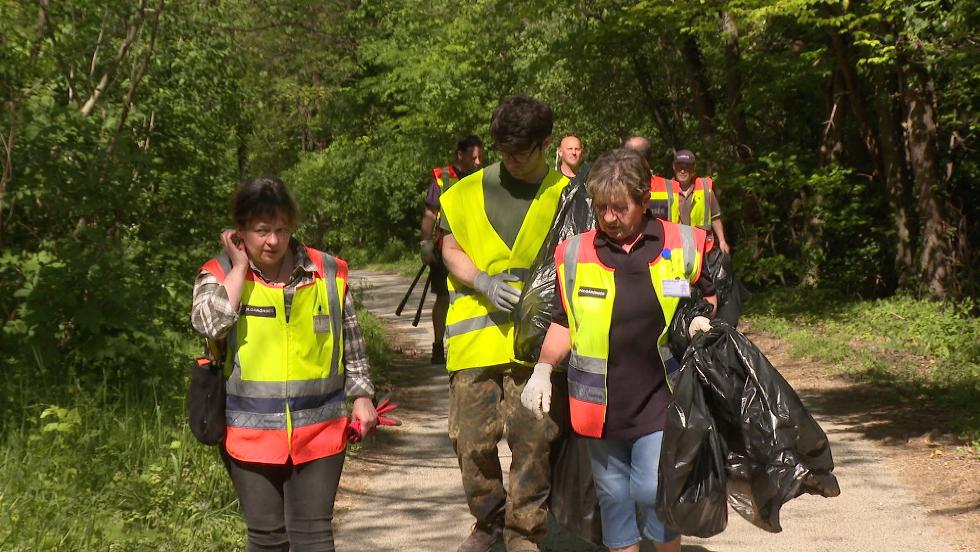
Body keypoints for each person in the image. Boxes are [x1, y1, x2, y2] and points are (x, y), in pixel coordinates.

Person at [520, 148, 717, 552]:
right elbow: (563, 320)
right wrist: (542, 368)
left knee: (650, 488)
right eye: (601, 208)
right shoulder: (574, 253)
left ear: (644, 201)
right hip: (598, 407)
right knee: (613, 499)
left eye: (619, 208)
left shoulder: (682, 243)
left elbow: (712, 296)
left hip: (664, 397)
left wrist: (701, 322)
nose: (609, 217)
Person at [191, 176, 378, 552]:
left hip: (322, 431)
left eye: (281, 229)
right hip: (248, 434)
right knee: (267, 539)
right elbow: (210, 324)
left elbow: (351, 341)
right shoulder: (218, 273)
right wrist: (240, 268)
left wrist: (362, 396)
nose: (273, 241)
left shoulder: (327, 271)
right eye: (261, 231)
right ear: (240, 230)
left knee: (314, 538)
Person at [439, 94, 570, 552]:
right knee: (471, 442)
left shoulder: (568, 197)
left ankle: (524, 533)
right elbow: (449, 247)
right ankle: (489, 523)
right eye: (504, 152)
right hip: (474, 343)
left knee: (534, 441)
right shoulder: (464, 192)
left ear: (546, 143)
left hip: (536, 348)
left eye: (522, 152)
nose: (511, 161)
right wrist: (482, 280)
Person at [420, 135, 484, 363]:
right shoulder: (443, 178)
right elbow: (430, 212)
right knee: (444, 297)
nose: (478, 162)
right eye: (473, 157)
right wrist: (425, 243)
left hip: (473, 247)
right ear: (460, 155)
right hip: (442, 248)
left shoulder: (483, 179)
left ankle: (468, 345)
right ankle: (438, 345)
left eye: (480, 157)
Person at [657, 149, 730, 254]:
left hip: (702, 248)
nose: (683, 171)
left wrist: (722, 241)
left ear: (693, 168)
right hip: (675, 249)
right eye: (679, 167)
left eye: (687, 167)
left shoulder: (705, 188)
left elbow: (715, 217)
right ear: (673, 167)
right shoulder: (665, 190)